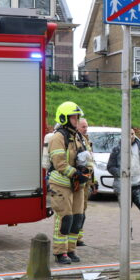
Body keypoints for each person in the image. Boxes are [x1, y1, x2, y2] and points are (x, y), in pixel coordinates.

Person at [48, 101, 92, 264]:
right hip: (61, 185)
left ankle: (71, 249)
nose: (76, 120)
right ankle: (60, 252)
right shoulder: (58, 137)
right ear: (64, 118)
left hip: (77, 185)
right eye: (73, 117)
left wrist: (87, 172)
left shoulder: (78, 136)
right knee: (64, 218)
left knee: (77, 218)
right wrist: (76, 174)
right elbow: (60, 163)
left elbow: (88, 157)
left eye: (77, 117)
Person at [76, 118, 97, 247]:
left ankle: (78, 237)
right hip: (79, 180)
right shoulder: (76, 140)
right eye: (83, 126)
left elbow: (91, 163)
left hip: (87, 181)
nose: (86, 129)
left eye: (86, 127)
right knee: (78, 210)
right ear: (77, 126)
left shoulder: (86, 140)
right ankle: (75, 237)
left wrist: (94, 182)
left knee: (83, 210)